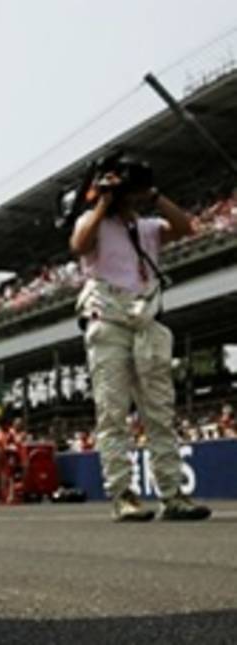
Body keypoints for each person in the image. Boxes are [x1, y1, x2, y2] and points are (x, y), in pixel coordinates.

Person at [70, 158, 211, 522]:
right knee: (113, 411)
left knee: (160, 411)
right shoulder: (93, 222)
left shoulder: (146, 226)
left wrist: (154, 195)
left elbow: (186, 227)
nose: (128, 195)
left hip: (145, 315)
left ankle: (173, 494)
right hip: (107, 316)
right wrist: (103, 201)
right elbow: (79, 244)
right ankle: (122, 494)